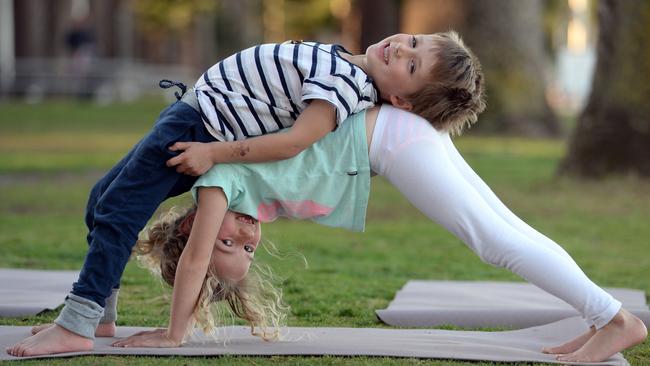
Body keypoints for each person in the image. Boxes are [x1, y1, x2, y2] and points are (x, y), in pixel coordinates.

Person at [6, 31, 486, 357]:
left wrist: (213, 153)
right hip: (192, 116)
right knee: (101, 201)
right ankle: (102, 317)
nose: (401, 48)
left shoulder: (345, 85)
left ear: (400, 100)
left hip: (200, 128)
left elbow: (296, 140)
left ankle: (76, 324)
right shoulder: (343, 59)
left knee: (117, 211)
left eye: (411, 64)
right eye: (413, 42)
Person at [74, 106, 650, 362]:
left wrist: (175, 332)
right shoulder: (248, 202)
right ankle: (604, 317)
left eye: (227, 241)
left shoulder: (217, 184)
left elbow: (194, 260)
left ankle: (616, 320)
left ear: (193, 228)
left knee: (493, 240)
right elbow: (204, 257)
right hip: (398, 138)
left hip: (389, 141)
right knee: (506, 231)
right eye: (248, 250)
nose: (244, 237)